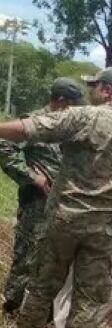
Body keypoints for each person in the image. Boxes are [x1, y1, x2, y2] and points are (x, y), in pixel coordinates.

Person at [0, 67, 112, 328]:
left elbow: (28, 128)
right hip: (103, 232)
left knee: (41, 287)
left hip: (63, 221)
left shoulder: (84, 117)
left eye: (94, 87)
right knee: (88, 300)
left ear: (107, 91)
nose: (90, 92)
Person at [0, 77, 85, 315]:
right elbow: (4, 146)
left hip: (62, 202)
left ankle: (41, 309)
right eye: (72, 104)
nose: (75, 110)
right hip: (36, 201)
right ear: (59, 101)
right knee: (27, 252)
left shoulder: (66, 126)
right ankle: (13, 305)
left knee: (51, 256)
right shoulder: (35, 121)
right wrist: (30, 176)